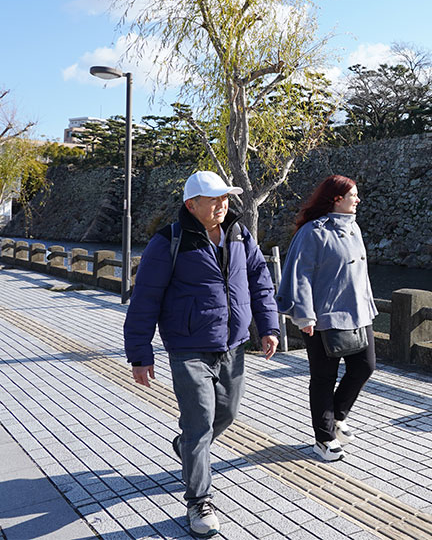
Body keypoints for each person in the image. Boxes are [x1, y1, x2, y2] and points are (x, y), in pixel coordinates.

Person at [124, 170, 279, 538]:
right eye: (214, 200)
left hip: (233, 344)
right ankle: (199, 500)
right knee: (198, 422)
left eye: (225, 198)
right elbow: (145, 299)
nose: (222, 205)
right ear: (191, 205)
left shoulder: (240, 235)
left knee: (226, 413)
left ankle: (186, 448)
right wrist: (140, 353)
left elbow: (259, 280)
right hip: (188, 347)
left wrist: (269, 326)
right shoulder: (169, 241)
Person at [276, 174, 377, 462]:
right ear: (336, 199)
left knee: (365, 366)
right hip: (323, 318)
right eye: (352, 195)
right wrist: (304, 315)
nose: (357, 199)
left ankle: (337, 417)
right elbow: (300, 274)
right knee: (323, 378)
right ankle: (324, 438)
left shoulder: (353, 227)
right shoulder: (312, 232)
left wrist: (368, 307)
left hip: (358, 314)